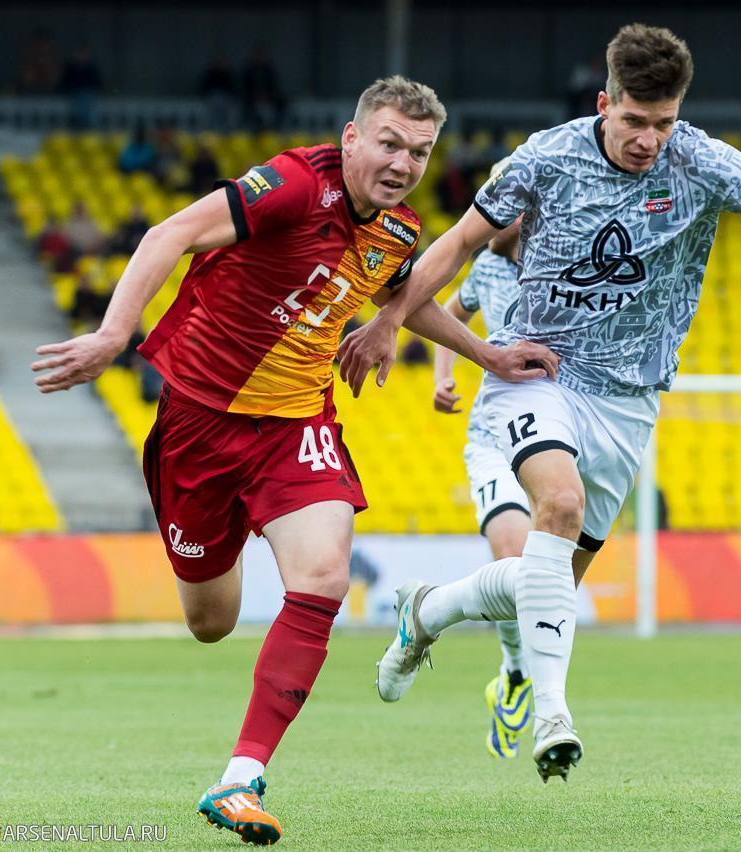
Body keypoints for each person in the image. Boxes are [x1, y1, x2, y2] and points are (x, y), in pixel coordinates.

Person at [340, 23, 741, 782]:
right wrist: (389, 319)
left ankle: (428, 610)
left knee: (544, 584)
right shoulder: (547, 157)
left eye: (664, 122)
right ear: (604, 103)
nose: (649, 140)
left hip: (629, 399)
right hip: (536, 370)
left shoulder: (701, 159)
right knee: (559, 506)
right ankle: (552, 716)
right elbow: (456, 245)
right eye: (636, 121)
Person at [30, 76, 555, 845]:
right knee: (211, 621)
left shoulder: (399, 230)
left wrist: (486, 354)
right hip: (200, 424)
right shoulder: (291, 186)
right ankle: (228, 549)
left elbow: (406, 296)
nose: (403, 164)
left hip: (296, 422)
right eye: (389, 144)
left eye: (419, 152)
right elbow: (169, 233)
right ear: (352, 139)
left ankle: (240, 778)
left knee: (325, 576)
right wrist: (114, 335)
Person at [432, 191, 533, 760]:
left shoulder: (558, 261)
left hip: (561, 431)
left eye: (505, 207)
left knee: (543, 583)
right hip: (495, 435)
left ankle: (520, 675)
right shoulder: (486, 269)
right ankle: (518, 675)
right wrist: (442, 376)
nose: (491, 217)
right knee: (513, 560)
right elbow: (451, 312)